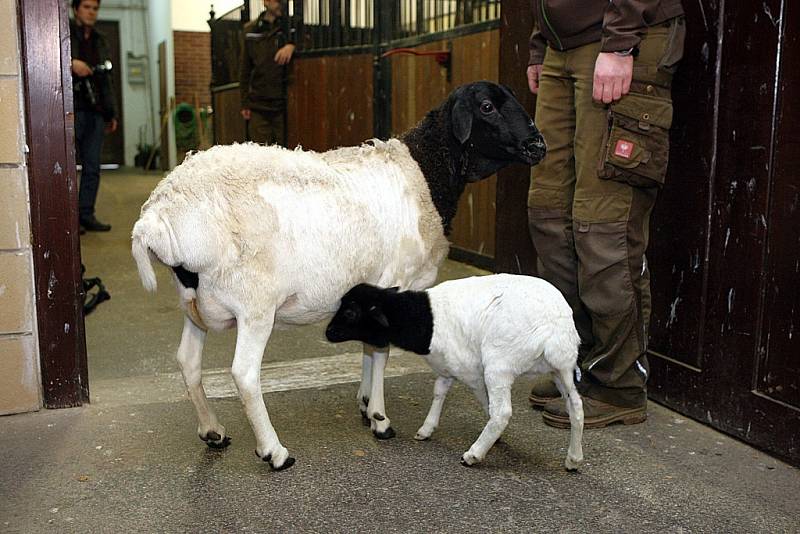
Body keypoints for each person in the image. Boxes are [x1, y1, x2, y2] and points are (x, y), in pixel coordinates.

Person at [525, 1, 685, 428]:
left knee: (603, 223)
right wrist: (542, 43)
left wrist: (619, 43)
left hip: (621, 35)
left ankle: (618, 385)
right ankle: (574, 364)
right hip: (565, 44)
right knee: (550, 214)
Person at [70, 0, 118, 233]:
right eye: (87, 7)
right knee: (67, 165)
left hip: (96, 110)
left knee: (92, 166)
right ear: (76, 9)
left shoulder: (101, 40)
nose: (91, 12)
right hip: (72, 108)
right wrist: (70, 63)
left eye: (95, 8)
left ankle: (86, 214)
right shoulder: (65, 34)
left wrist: (111, 112)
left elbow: (107, 79)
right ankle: (68, 219)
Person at [239, 0, 296, 145]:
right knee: (261, 157)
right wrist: (245, 103)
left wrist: (292, 45)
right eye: (277, 0)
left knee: (285, 155)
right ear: (265, 2)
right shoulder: (250, 30)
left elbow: (307, 43)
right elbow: (245, 68)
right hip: (259, 103)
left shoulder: (290, 27)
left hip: (284, 103)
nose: (281, 3)